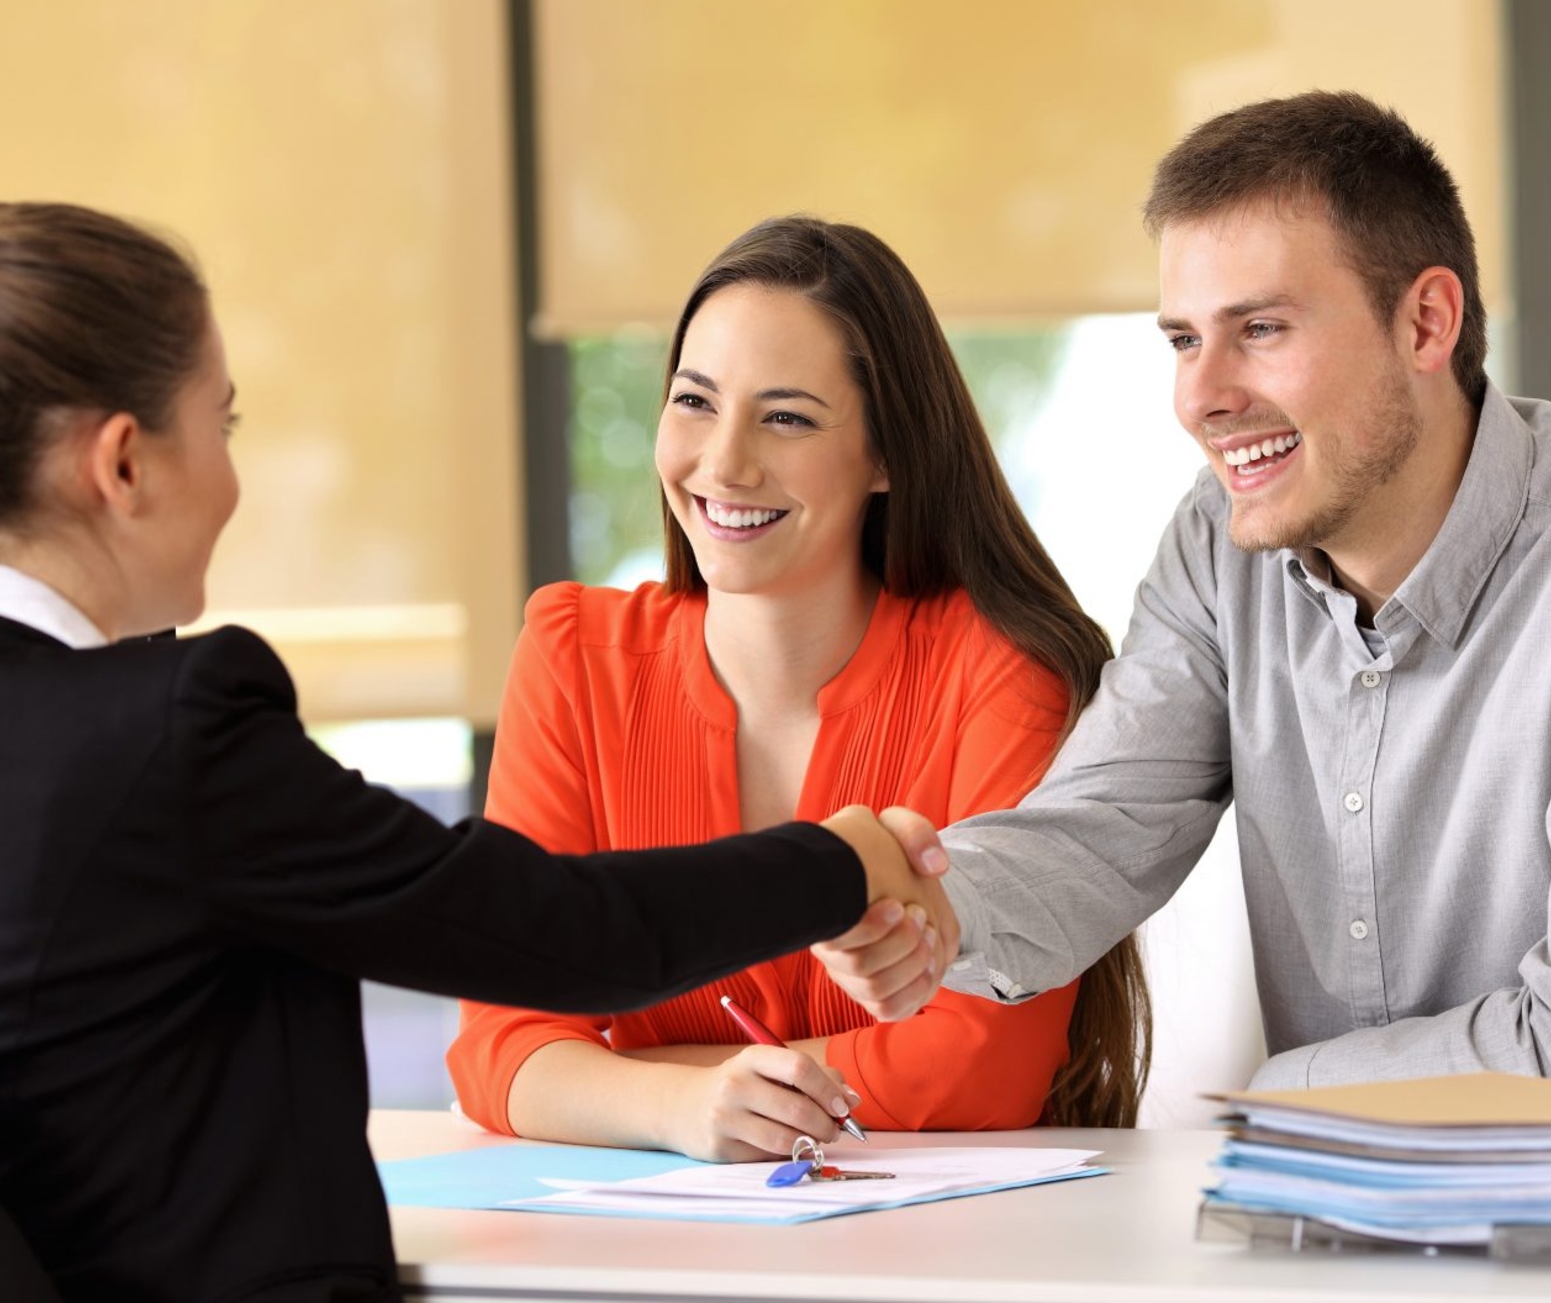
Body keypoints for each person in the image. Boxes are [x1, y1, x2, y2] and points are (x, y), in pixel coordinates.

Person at [0, 203, 952, 1302]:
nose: (230, 479)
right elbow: (564, 936)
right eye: (220, 427)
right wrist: (842, 857)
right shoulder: (164, 732)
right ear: (123, 465)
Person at [818, 91, 1551, 1089]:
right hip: (1346, 1222)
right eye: (1181, 338)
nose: (1198, 397)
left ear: (1426, 321)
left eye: (1258, 327)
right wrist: (931, 904)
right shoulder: (1220, 543)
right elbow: (1099, 828)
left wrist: (1279, 1092)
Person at [446, 216, 1150, 1161]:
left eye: (785, 416)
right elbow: (501, 1041)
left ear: (889, 453)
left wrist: (632, 1079)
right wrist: (683, 1110)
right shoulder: (573, 656)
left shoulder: (998, 675)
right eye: (694, 401)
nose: (723, 463)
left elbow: (983, 1061)